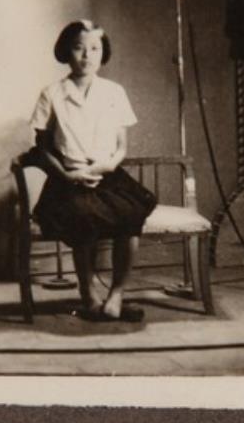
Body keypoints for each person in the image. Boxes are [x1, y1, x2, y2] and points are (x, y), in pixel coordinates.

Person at [28, 19, 156, 322]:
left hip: (108, 175)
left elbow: (121, 146)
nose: (87, 56)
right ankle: (88, 294)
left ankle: (117, 294)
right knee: (81, 215)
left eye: (95, 48)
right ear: (66, 51)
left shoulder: (114, 92)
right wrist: (68, 175)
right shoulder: (51, 93)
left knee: (131, 215)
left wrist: (108, 164)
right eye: (79, 48)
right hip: (67, 178)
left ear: (103, 53)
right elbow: (42, 149)